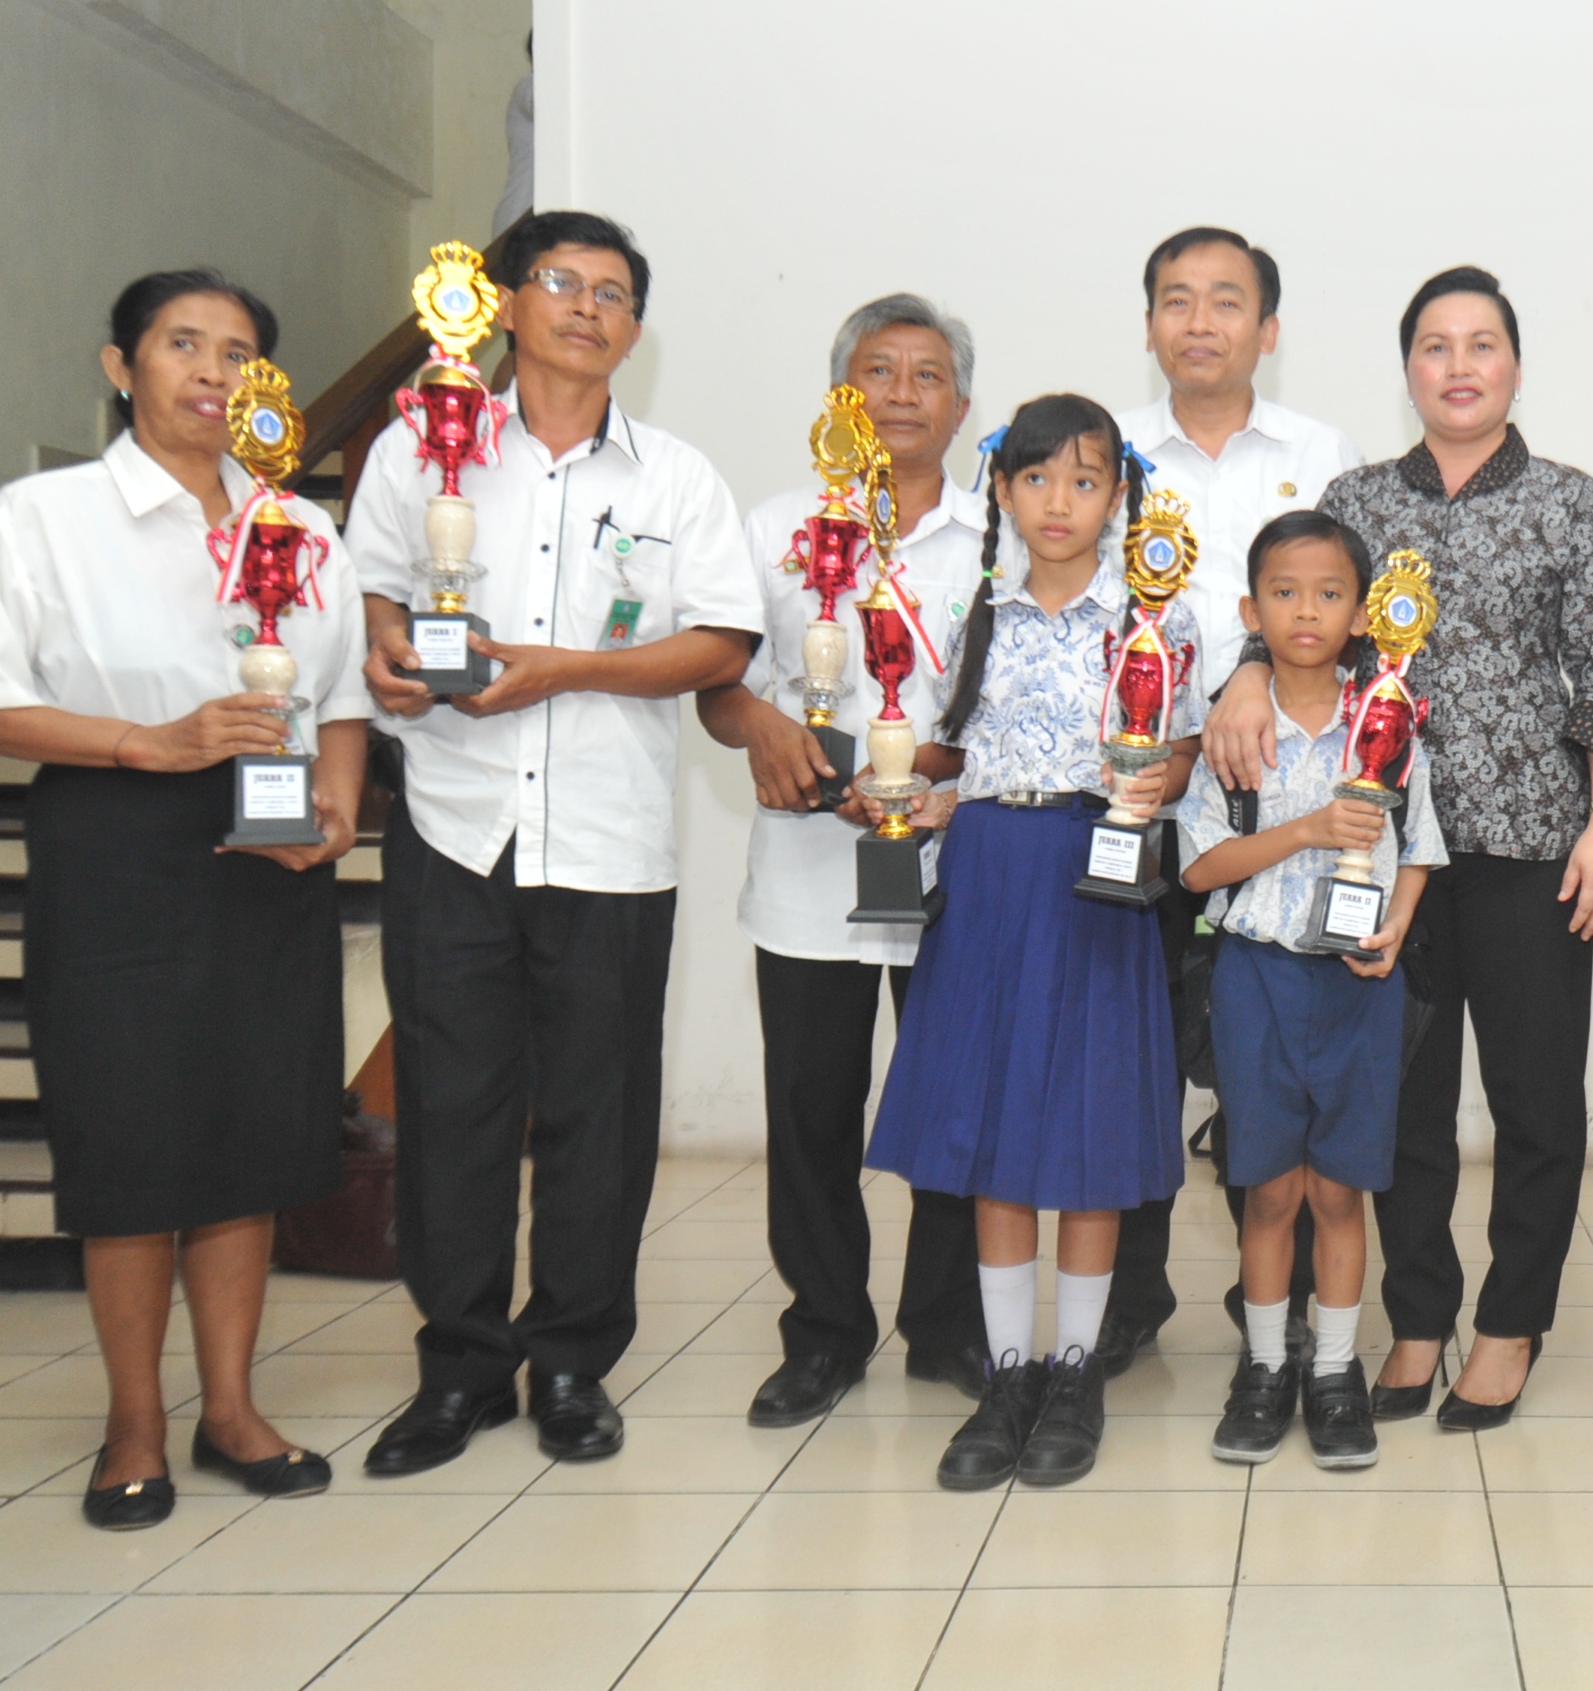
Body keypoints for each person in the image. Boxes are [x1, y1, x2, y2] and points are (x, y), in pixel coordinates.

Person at [0, 271, 365, 1528]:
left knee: (250, 1135)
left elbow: (338, 700)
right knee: (130, 1143)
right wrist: (139, 742)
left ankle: (230, 1406)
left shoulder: (300, 530)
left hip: (268, 859)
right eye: (184, 345)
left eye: (239, 353)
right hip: (115, 839)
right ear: (121, 365)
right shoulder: (47, 515)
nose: (213, 372)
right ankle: (130, 1421)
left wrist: (330, 805)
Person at [350, 212, 764, 1475]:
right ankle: (462, 1365)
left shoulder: (675, 477)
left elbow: (722, 642)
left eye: (614, 293)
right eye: (562, 282)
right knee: (454, 1107)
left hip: (607, 841)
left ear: (635, 330)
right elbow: (369, 584)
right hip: (453, 822)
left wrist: (566, 671)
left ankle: (574, 1359)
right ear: (507, 305)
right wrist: (382, 648)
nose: (588, 307)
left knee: (601, 1113)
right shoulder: (420, 448)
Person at [1206, 266, 1593, 1428]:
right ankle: (1413, 1316)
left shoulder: (1567, 499)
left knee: (1535, 1095)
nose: (1458, 365)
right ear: (1407, 369)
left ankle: (1508, 1323)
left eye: (1482, 344)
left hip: (1529, 841)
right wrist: (1246, 669)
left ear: (1513, 364)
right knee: (1396, 1099)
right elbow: (1298, 614)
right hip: (1376, 846)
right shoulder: (1357, 495)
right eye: (1435, 346)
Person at [863, 394, 1200, 1490]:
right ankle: (1006, 1372)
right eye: (1037, 477)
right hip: (992, 877)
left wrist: (1161, 779)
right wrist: (890, 785)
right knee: (997, 1132)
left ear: (1120, 496)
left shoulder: (1155, 620)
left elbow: (1186, 751)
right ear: (1001, 489)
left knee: (1088, 1129)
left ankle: (1073, 1368)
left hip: (1097, 874)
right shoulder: (978, 617)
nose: (1061, 501)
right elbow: (952, 752)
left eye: (1087, 478)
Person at [703, 294, 987, 1425]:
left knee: (953, 1102)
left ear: (961, 405)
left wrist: (945, 780)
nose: (904, 393)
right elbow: (719, 685)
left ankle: (945, 1323)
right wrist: (767, 729)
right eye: (880, 370)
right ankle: (822, 1327)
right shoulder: (774, 525)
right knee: (810, 1111)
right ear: (842, 394)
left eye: (928, 375)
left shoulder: (1000, 536)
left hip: (953, 863)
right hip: (810, 869)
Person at [1113, 227, 1364, 1368]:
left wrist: (1251, 668)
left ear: (1267, 328)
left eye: (1226, 301)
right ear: (1150, 321)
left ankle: (1289, 1313)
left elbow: (1360, 630)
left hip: (1283, 823)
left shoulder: (1323, 454)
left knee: (1283, 1064)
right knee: (1131, 1061)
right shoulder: (1108, 456)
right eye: (1176, 299)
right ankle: (1125, 1298)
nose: (1199, 320)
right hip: (1135, 805)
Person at [1183, 511, 1445, 1470]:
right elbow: (1201, 869)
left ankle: (1334, 1371)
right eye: (1285, 592)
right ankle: (1263, 1369)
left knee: (1340, 1193)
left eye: (1330, 593)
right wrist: (1301, 829)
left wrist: (1398, 925)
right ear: (1253, 609)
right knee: (1268, 1192)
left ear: (1362, 611)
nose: (1306, 610)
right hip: (1256, 979)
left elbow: (1420, 846)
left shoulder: (1390, 718)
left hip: (1358, 985)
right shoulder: (1233, 730)